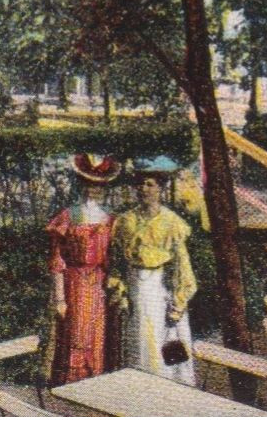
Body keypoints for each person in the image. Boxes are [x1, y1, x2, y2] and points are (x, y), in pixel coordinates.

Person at [108, 156, 196, 385]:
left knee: (163, 341)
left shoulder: (171, 222)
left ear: (161, 188)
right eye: (140, 184)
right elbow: (117, 262)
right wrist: (119, 290)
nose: (144, 189)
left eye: (150, 184)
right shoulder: (125, 221)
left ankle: (168, 388)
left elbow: (182, 266)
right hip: (135, 288)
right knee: (138, 341)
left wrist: (179, 301)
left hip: (160, 289)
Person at [43, 153, 119, 387]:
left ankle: (96, 380)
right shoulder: (68, 215)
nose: (92, 190)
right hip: (74, 283)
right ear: (81, 185)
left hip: (100, 284)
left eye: (97, 185)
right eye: (88, 184)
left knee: (99, 333)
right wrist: (59, 298)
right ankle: (73, 383)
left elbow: (115, 259)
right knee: (77, 332)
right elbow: (57, 260)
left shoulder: (110, 219)